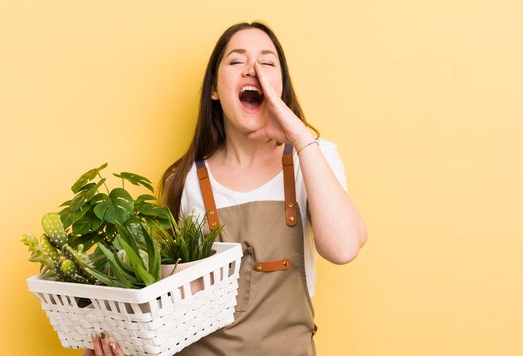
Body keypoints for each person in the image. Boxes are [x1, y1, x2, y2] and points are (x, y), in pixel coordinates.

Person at [85, 21, 367, 356]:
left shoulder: (313, 157)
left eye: (267, 62)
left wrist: (300, 136)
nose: (252, 70)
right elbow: (166, 302)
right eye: (236, 61)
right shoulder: (184, 178)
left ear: (280, 86)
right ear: (214, 89)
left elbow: (344, 248)